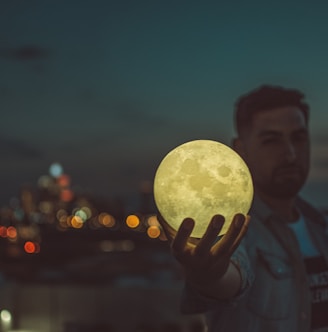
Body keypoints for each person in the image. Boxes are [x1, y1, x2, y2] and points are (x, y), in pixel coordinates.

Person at [158, 85, 328, 332]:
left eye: (298, 138)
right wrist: (210, 275)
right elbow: (229, 276)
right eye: (271, 141)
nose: (290, 154)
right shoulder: (236, 227)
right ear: (240, 149)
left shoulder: (319, 225)